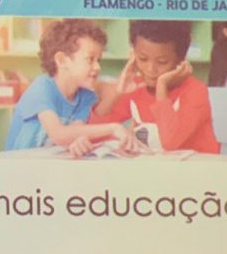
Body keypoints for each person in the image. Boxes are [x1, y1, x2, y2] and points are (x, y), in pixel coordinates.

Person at [5, 19, 142, 156]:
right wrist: (113, 129)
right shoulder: (42, 88)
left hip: (48, 163)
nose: (97, 67)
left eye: (98, 60)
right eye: (90, 59)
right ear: (62, 60)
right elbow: (59, 135)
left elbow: (76, 131)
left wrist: (77, 141)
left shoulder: (85, 96)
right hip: (17, 164)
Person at [89, 20, 219, 154]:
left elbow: (170, 142)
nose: (150, 69)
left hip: (196, 165)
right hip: (155, 165)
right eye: (142, 59)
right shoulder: (136, 87)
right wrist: (118, 92)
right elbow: (93, 133)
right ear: (133, 54)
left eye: (162, 62)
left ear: (180, 61)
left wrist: (161, 87)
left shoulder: (195, 91)